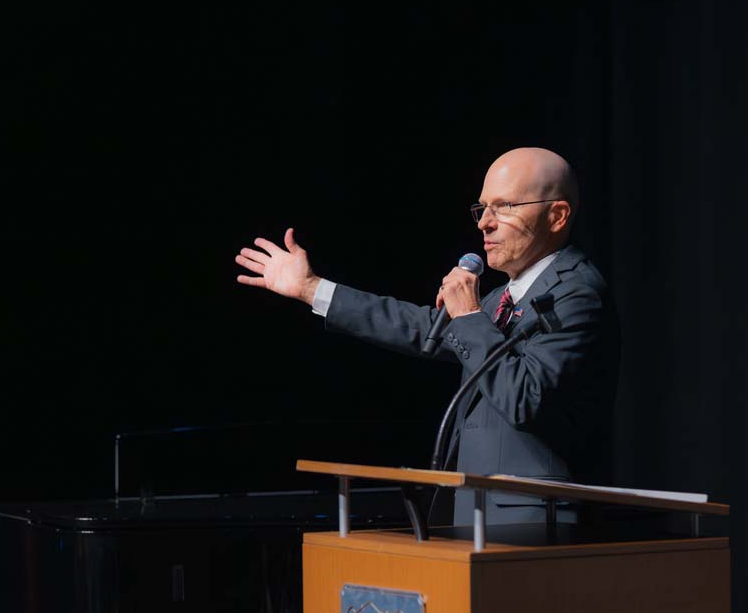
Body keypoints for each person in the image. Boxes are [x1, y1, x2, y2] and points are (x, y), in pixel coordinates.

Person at [235, 148, 619, 525]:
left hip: (534, 518)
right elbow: (422, 330)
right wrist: (311, 288)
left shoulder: (577, 292)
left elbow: (523, 396)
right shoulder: (504, 296)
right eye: (482, 208)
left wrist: (469, 314)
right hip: (479, 513)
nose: (484, 223)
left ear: (557, 215)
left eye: (504, 207)